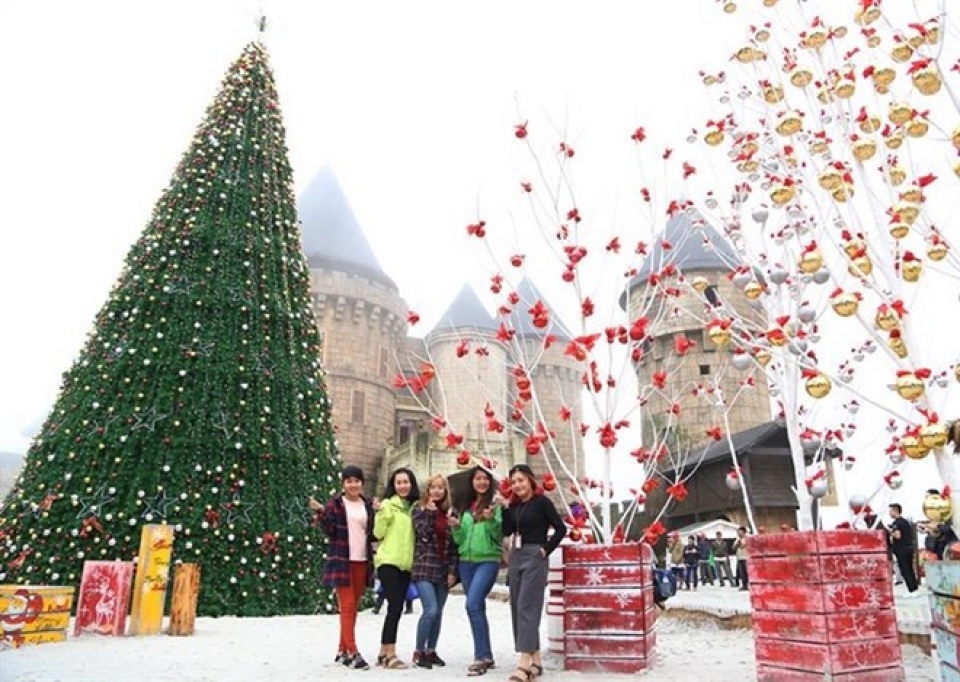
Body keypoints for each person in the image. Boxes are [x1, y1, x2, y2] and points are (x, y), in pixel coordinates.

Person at [501, 463, 567, 682]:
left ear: (530, 480)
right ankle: (536, 659)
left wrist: (546, 549)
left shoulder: (542, 503)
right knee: (516, 606)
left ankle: (524, 662)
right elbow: (507, 530)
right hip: (516, 555)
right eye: (513, 482)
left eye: (520, 480)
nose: (517, 485)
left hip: (534, 556)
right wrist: (504, 508)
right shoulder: (515, 506)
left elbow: (561, 528)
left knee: (527, 606)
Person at [309, 465, 375, 670]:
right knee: (346, 607)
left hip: (362, 561)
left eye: (356, 481)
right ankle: (353, 652)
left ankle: (341, 650)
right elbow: (329, 530)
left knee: (353, 609)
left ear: (362, 483)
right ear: (343, 484)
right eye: (349, 481)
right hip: (342, 561)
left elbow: (372, 533)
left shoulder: (368, 504)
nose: (353, 485)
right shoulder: (335, 505)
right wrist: (320, 511)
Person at [452, 465, 504, 677]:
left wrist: (491, 519)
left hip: (488, 560)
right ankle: (487, 654)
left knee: (472, 604)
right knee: (477, 607)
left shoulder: (496, 504)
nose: (481, 482)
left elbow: (499, 534)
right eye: (477, 479)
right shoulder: (465, 507)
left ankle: (481, 655)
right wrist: (455, 527)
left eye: (485, 478)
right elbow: (460, 540)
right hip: (466, 561)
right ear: (472, 482)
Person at [373, 467, 419, 669]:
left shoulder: (414, 507)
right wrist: (381, 514)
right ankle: (390, 653)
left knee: (397, 608)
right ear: (393, 485)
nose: (402, 486)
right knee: (394, 607)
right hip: (389, 562)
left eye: (406, 482)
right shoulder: (388, 505)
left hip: (406, 565)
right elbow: (378, 532)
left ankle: (383, 651)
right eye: (399, 482)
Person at [411, 474, 459, 669]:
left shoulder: (450, 512)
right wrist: (430, 513)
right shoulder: (419, 508)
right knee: (430, 610)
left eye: (441, 487)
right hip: (424, 566)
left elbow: (455, 544)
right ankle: (418, 651)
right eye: (433, 487)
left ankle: (431, 650)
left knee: (438, 612)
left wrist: (452, 571)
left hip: (443, 567)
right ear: (428, 490)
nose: (437, 491)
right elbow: (422, 533)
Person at [887, 503, 919, 593]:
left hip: (902, 549)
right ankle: (915, 588)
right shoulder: (906, 522)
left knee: (905, 570)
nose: (889, 513)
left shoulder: (897, 523)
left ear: (895, 511)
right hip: (909, 547)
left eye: (890, 511)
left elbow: (898, 536)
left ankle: (911, 590)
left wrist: (890, 532)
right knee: (910, 569)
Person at [733, 526, 749, 591]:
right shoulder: (737, 539)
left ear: (744, 532)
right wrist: (737, 543)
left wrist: (740, 543)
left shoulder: (747, 538)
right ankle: (744, 585)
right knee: (742, 573)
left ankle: (748, 585)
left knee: (747, 572)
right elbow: (733, 547)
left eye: (740, 532)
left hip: (746, 557)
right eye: (738, 532)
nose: (739, 533)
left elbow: (743, 546)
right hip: (739, 558)